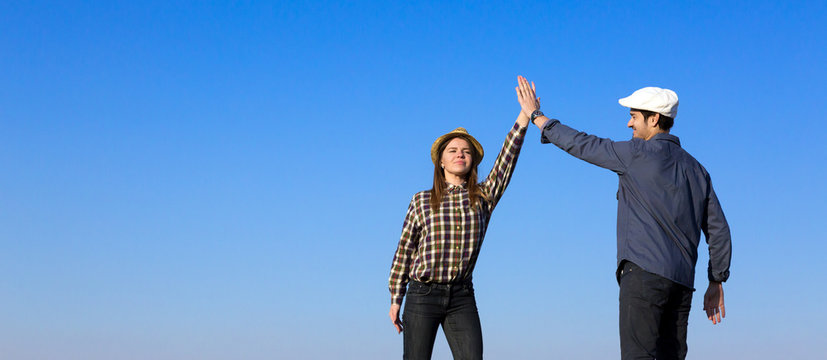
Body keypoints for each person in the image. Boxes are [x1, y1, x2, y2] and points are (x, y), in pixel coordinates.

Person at [515, 76, 732, 360]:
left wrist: (537, 117)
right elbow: (719, 231)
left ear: (654, 119)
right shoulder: (698, 170)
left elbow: (582, 144)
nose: (629, 124)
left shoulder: (634, 154)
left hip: (643, 274)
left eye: (633, 117)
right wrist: (716, 281)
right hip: (682, 283)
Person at [387, 91, 531, 359]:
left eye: (466, 152)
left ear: (473, 161)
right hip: (422, 294)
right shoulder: (421, 200)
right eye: (452, 151)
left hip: (461, 296)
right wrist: (396, 298)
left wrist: (524, 117)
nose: (460, 155)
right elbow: (404, 250)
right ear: (440, 161)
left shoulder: (483, 196)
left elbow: (505, 162)